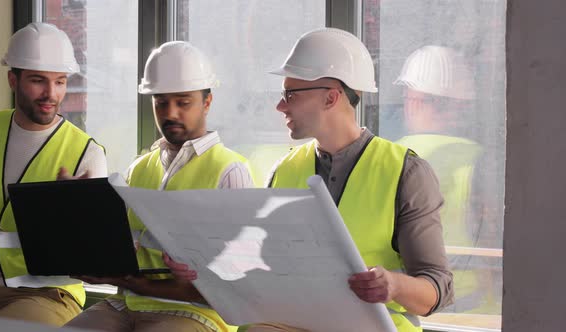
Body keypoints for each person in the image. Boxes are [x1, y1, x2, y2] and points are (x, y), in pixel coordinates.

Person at [265, 28, 453, 331]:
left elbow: (436, 291)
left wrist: (393, 285)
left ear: (331, 98)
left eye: (290, 95)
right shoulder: (283, 171)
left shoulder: (405, 172)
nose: (280, 106)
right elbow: (264, 265)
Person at [65, 41, 253, 332]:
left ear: (207, 102)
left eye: (183, 102)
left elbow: (238, 283)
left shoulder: (230, 171)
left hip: (192, 314)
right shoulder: (139, 168)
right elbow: (120, 246)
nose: (171, 113)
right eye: (161, 101)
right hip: (126, 304)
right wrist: (82, 209)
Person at [0, 22, 107, 326]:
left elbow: (96, 253)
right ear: (13, 79)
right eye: (38, 81)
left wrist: (78, 211)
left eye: (60, 81)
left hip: (50, 294)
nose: (51, 93)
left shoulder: (87, 153)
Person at [394, 45, 499, 314]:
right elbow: (493, 236)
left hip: (405, 305)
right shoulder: (480, 161)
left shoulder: (388, 157)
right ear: (459, 105)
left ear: (414, 101)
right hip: (468, 309)